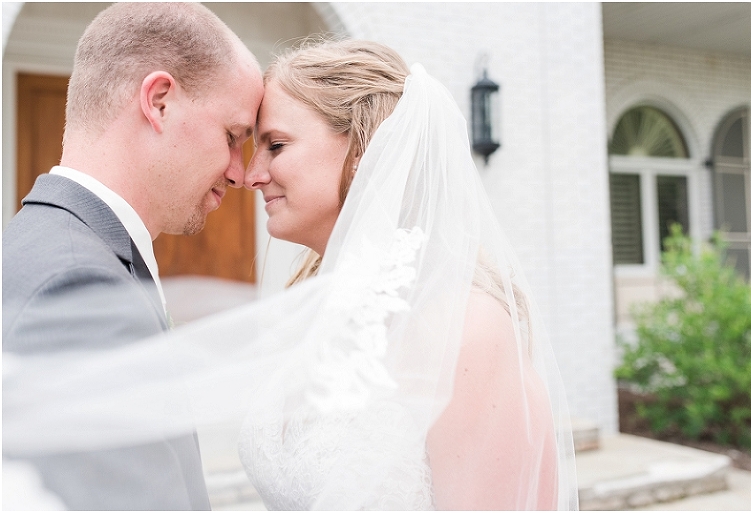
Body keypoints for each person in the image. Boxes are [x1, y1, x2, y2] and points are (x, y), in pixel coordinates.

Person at [233, 39, 579, 509]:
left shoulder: (465, 327)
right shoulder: (322, 305)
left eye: (275, 145)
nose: (252, 175)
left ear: (362, 148)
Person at [2, 2, 262, 510]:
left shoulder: (47, 242)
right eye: (232, 137)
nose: (237, 172)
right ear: (159, 101)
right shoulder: (79, 286)